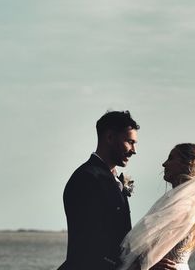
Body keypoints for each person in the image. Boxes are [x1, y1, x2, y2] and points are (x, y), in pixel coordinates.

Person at [58, 110, 139, 270]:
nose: (134, 150)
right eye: (129, 142)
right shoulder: (87, 178)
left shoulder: (109, 178)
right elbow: (89, 241)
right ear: (109, 137)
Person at [117, 143, 195, 270]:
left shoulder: (183, 206)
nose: (164, 164)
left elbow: (153, 254)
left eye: (171, 158)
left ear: (187, 164)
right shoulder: (184, 203)